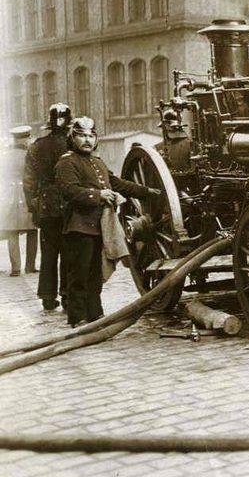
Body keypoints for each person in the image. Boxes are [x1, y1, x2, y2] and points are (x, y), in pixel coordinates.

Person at [55, 117, 160, 327]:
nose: (87, 140)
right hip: (79, 226)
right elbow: (69, 190)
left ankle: (95, 314)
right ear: (73, 138)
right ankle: (77, 317)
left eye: (91, 136)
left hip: (100, 226)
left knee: (95, 273)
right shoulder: (66, 162)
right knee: (79, 274)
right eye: (82, 136)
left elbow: (117, 184)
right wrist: (98, 195)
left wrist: (147, 191)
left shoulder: (97, 162)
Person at [23, 104, 71, 311]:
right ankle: (67, 295)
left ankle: (47, 296)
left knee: (49, 253)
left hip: (47, 205)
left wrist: (34, 206)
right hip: (70, 204)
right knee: (69, 251)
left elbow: (29, 182)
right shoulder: (72, 144)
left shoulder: (36, 146)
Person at [0, 126, 38, 277]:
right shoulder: (30, 155)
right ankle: (30, 266)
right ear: (25, 139)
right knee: (32, 230)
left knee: (12, 231)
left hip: (7, 195)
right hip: (27, 194)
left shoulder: (4, 155)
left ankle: (15, 268)